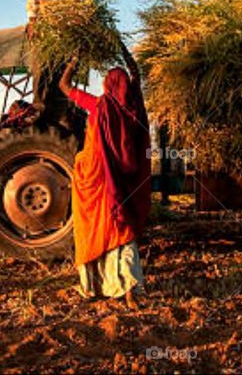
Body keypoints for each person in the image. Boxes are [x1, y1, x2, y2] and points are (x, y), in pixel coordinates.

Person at [59, 44, 152, 308]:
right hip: (122, 183)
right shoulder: (134, 106)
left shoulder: (99, 105)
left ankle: (94, 285)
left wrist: (75, 59)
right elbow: (136, 75)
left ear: (107, 85)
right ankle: (129, 287)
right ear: (126, 86)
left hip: (96, 179)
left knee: (96, 228)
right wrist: (123, 50)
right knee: (122, 228)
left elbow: (64, 86)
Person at [25, 0, 81, 124]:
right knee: (43, 67)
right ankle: (39, 110)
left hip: (65, 28)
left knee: (63, 68)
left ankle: (60, 114)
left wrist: (77, 22)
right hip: (46, 24)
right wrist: (33, 19)